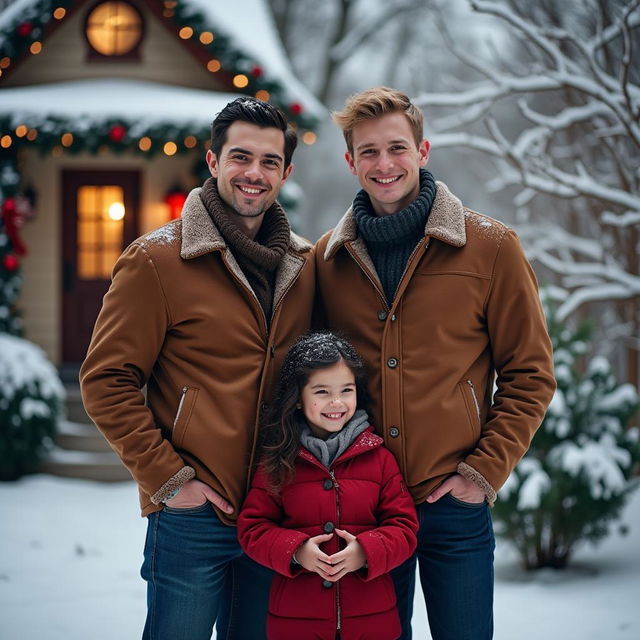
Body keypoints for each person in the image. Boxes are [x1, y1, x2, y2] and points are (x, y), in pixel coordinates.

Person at [314, 87, 556, 640]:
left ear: (423, 152)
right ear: (350, 162)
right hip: (365, 508)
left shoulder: (491, 248)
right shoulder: (329, 260)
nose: (384, 164)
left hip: (455, 505)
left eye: (397, 148)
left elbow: (530, 374)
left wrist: (482, 471)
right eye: (368, 152)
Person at [79, 97, 315, 640]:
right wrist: (170, 479)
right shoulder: (157, 259)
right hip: (192, 518)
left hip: (275, 515)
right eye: (240, 157)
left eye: (269, 161)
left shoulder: (304, 266)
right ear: (212, 162)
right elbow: (106, 381)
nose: (254, 174)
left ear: (285, 172)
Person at [237, 332, 419, 640]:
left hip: (373, 623)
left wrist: (367, 550)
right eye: (322, 391)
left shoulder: (380, 459)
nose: (336, 402)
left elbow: (404, 528)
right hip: (295, 624)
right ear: (298, 398)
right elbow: (253, 529)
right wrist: (296, 551)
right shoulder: (277, 462)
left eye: (346, 390)